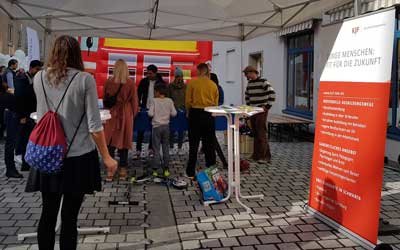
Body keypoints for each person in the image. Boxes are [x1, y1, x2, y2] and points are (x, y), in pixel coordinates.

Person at [25, 35, 117, 250]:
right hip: (77, 158)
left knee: (47, 213)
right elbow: (95, 126)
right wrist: (106, 157)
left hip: (48, 154)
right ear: (77, 53)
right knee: (69, 217)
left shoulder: (38, 77)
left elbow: (41, 114)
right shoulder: (85, 80)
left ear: (53, 52)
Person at [103, 59, 138, 181]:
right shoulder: (130, 82)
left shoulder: (109, 81)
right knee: (124, 143)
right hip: (125, 113)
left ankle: (110, 171)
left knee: (110, 142)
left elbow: (105, 100)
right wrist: (133, 115)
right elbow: (134, 102)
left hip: (112, 113)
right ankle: (123, 170)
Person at [185, 63, 219, 178]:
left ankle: (190, 171)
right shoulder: (213, 84)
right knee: (209, 145)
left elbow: (188, 100)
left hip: (195, 114)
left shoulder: (192, 82)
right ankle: (212, 170)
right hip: (209, 115)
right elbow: (215, 102)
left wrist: (188, 112)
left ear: (199, 71)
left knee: (193, 144)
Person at [14, 60, 43, 172]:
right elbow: (19, 98)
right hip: (24, 114)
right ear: (31, 68)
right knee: (24, 138)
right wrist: (22, 115)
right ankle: (23, 162)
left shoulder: (33, 78)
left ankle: (27, 163)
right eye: (37, 69)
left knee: (29, 138)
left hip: (32, 113)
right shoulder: (22, 78)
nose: (38, 72)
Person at [243, 65, 276, 164]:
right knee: (255, 132)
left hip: (261, 109)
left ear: (252, 72)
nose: (246, 76)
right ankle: (256, 155)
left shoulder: (263, 81)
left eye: (246, 73)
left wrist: (267, 106)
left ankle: (265, 156)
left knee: (261, 132)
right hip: (253, 109)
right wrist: (248, 108)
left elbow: (272, 93)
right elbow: (247, 96)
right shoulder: (249, 83)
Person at [137, 64, 166, 159]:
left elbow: (164, 96)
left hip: (156, 109)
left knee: (154, 129)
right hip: (144, 107)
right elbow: (138, 94)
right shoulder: (144, 81)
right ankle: (138, 149)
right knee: (140, 128)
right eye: (147, 73)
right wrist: (138, 105)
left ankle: (151, 148)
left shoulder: (161, 82)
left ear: (155, 73)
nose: (148, 75)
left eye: (150, 73)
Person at [148, 84, 177, 177]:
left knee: (156, 149)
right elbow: (174, 113)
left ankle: (155, 170)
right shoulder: (169, 101)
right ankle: (166, 169)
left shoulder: (154, 101)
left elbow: (150, 114)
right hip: (166, 127)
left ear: (157, 92)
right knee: (165, 147)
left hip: (156, 127)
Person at [2, 59, 21, 178]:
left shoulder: (8, 73)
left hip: (8, 112)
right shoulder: (8, 73)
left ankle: (10, 168)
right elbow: (12, 88)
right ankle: (10, 169)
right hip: (10, 113)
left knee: (10, 142)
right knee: (10, 142)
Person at [209, 73, 228, 169]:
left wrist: (213, 105)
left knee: (212, 137)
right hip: (209, 114)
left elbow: (221, 101)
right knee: (210, 136)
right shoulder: (209, 87)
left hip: (213, 114)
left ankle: (222, 161)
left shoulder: (218, 88)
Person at [168, 67, 186, 154]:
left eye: (181, 76)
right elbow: (168, 98)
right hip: (173, 110)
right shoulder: (170, 86)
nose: (179, 78)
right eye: (178, 76)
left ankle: (180, 147)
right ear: (175, 77)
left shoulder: (185, 86)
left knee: (181, 130)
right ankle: (171, 146)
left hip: (182, 110)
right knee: (172, 129)